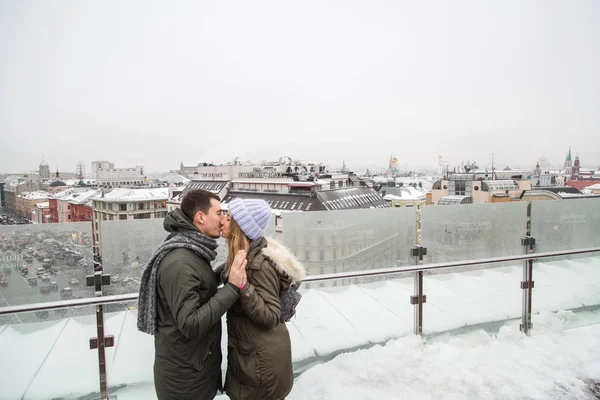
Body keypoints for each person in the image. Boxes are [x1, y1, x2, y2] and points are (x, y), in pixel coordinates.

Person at [137, 189, 248, 400]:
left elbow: (199, 284)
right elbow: (190, 323)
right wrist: (232, 288)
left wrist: (223, 272)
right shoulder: (181, 262)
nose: (223, 219)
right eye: (218, 213)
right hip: (185, 382)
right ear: (200, 217)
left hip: (192, 369)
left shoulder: (191, 250)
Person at [221, 198, 306, 400]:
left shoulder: (258, 265)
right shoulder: (243, 258)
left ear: (239, 227)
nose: (222, 220)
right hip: (253, 361)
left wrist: (243, 287)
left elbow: (270, 316)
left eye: (228, 217)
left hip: (261, 368)